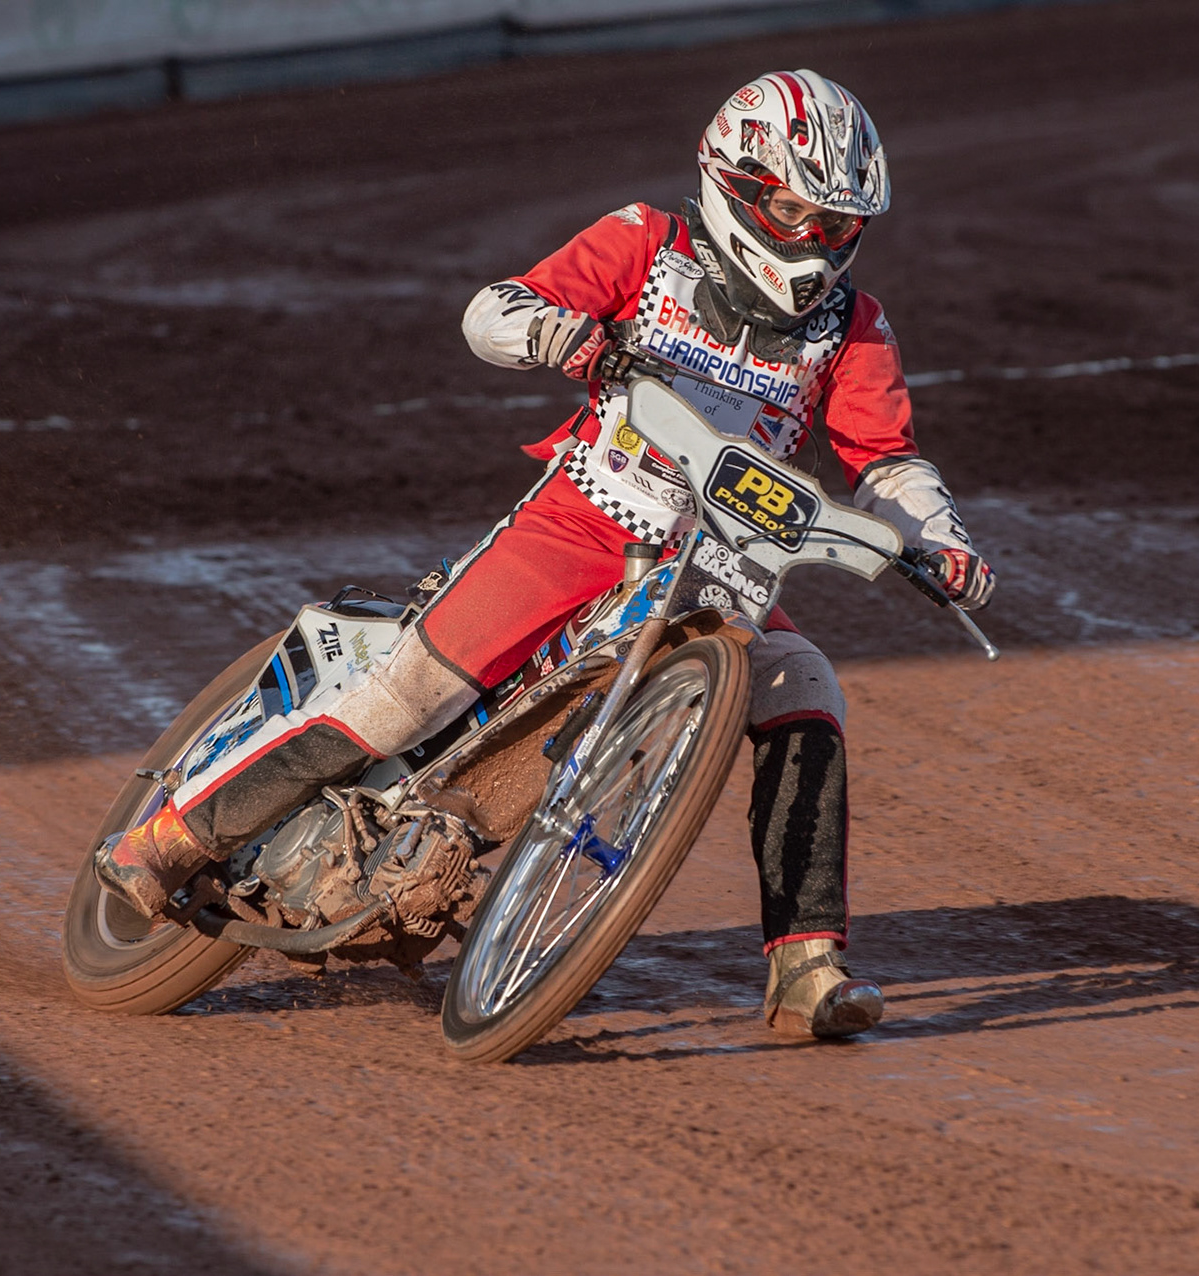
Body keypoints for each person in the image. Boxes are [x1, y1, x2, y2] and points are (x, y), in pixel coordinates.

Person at [96, 69, 994, 1039]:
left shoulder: (852, 325)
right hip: (584, 522)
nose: (816, 239)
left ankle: (807, 965)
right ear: (735, 185)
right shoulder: (647, 242)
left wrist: (938, 538)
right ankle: (171, 838)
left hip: (726, 561)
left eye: (838, 223)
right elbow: (493, 310)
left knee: (808, 688)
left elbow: (887, 458)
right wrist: (560, 331)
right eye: (794, 211)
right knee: (403, 696)